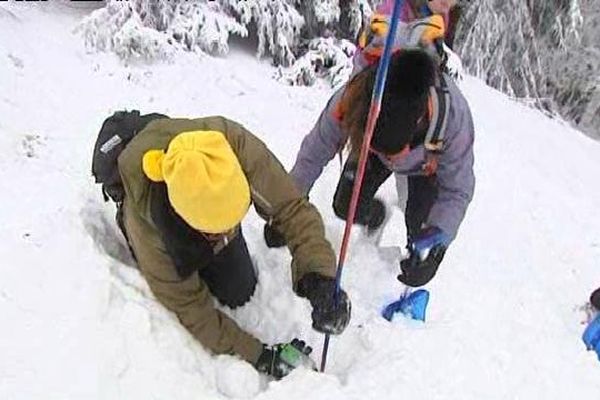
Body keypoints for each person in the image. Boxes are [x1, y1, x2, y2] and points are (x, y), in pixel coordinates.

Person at [97, 113, 351, 378]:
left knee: (239, 289)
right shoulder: (145, 226)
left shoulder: (234, 146)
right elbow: (192, 310)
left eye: (234, 220)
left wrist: (319, 276)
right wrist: (260, 355)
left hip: (191, 205)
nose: (229, 232)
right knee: (178, 283)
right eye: (216, 231)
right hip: (161, 226)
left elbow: (291, 207)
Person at [265, 46, 475, 288]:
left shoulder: (453, 121)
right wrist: (287, 210)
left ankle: (401, 279)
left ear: (419, 124)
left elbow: (457, 189)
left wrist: (438, 243)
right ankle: (375, 214)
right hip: (368, 152)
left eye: (393, 152)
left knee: (421, 237)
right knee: (345, 206)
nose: (391, 158)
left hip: (424, 168)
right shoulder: (351, 99)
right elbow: (314, 152)